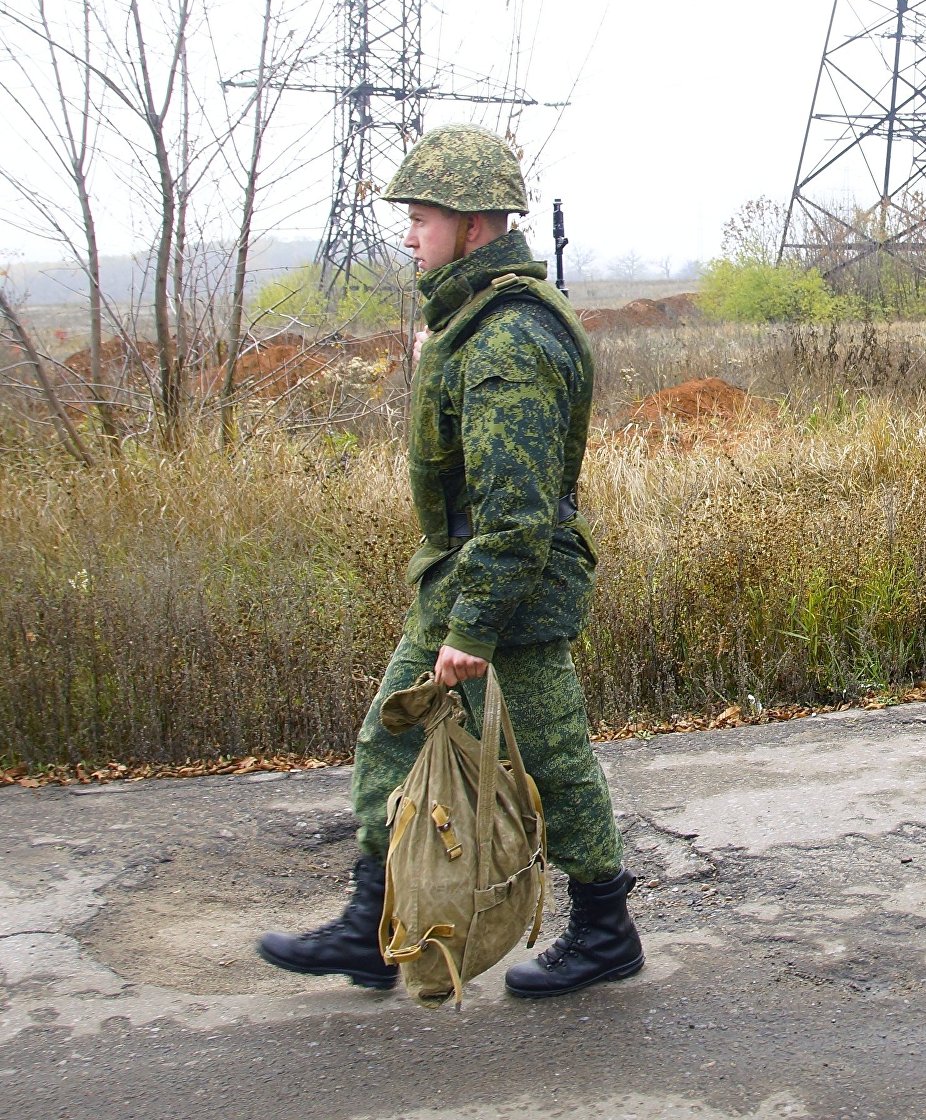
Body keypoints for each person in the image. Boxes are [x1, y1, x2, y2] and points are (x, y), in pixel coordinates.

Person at [257, 124, 644, 999]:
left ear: (473, 225)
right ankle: (369, 927)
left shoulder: (508, 342)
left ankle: (607, 928)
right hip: (460, 584)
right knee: (389, 741)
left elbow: (517, 511)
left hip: (508, 596)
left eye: (422, 219)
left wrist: (473, 628)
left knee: (552, 757)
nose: (408, 235)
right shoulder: (473, 324)